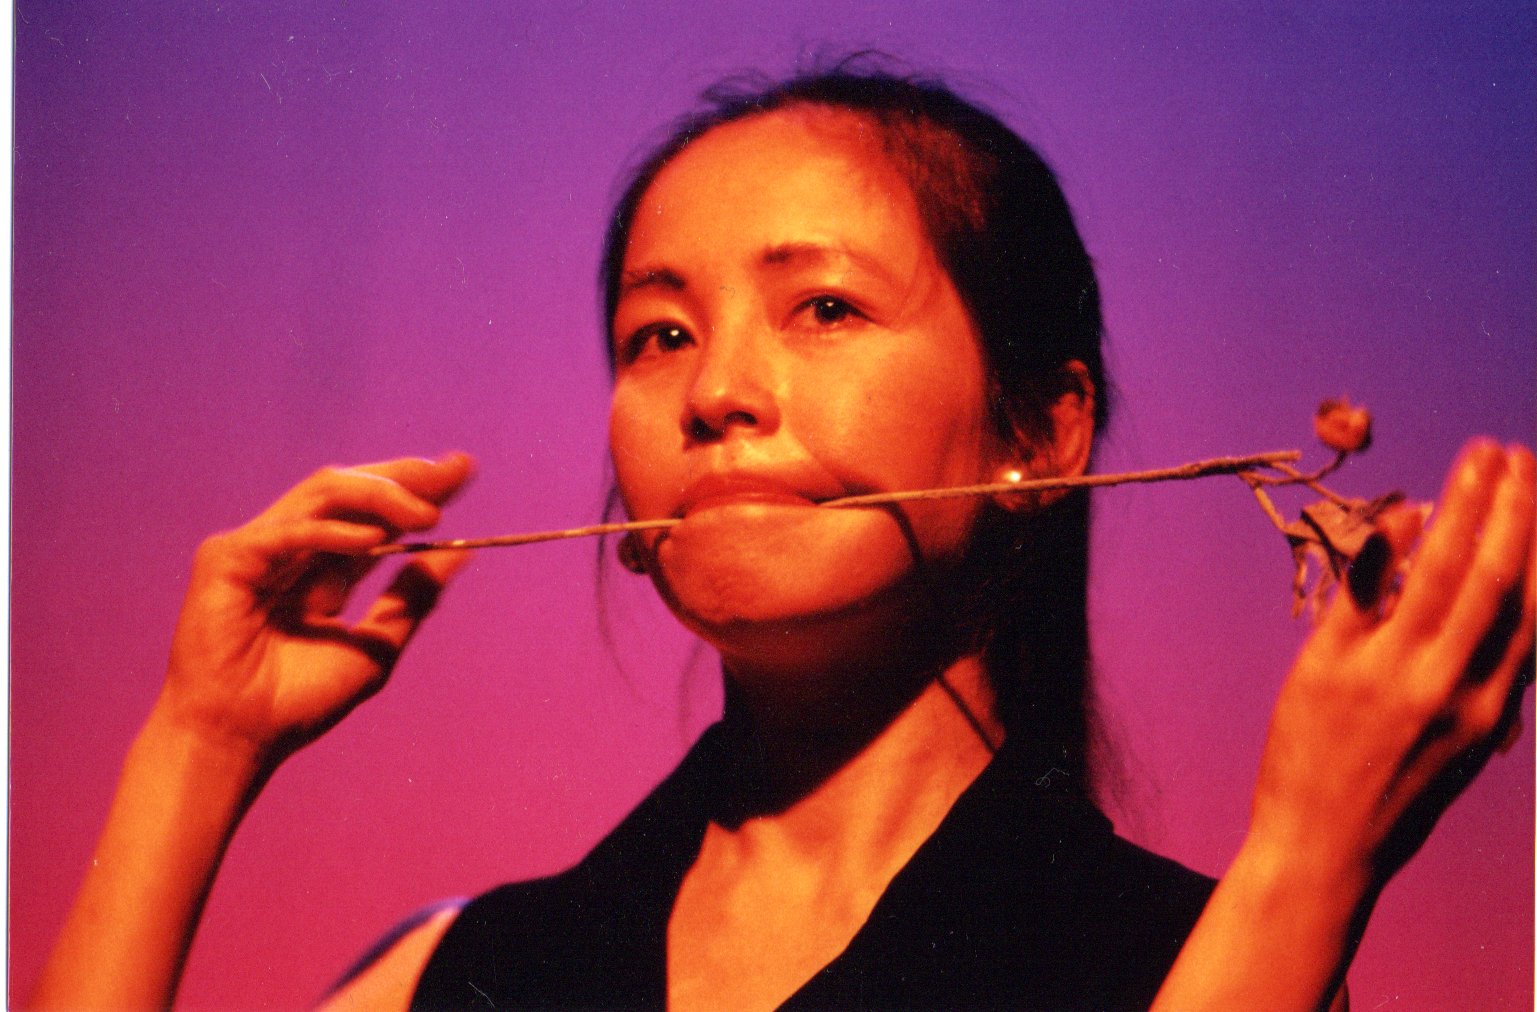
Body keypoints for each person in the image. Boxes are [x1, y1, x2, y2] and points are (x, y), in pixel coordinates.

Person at [32, 66, 1533, 1011]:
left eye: (823, 308)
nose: (717, 393)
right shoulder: (471, 972)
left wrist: (1309, 861)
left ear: (1042, 432)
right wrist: (196, 747)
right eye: (659, 333)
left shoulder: (1187, 957)